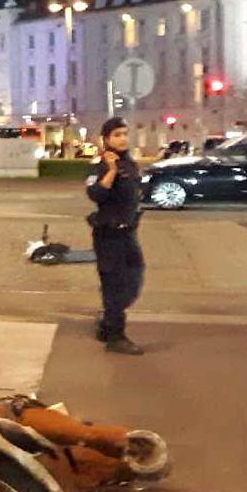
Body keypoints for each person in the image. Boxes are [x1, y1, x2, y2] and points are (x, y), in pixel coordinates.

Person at [86, 117, 145, 356]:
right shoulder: (99, 162)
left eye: (124, 134)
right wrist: (110, 171)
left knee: (135, 279)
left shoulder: (129, 163)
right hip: (108, 235)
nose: (122, 139)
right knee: (114, 285)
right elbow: (95, 193)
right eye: (117, 135)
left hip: (128, 233)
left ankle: (108, 321)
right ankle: (115, 337)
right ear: (106, 139)